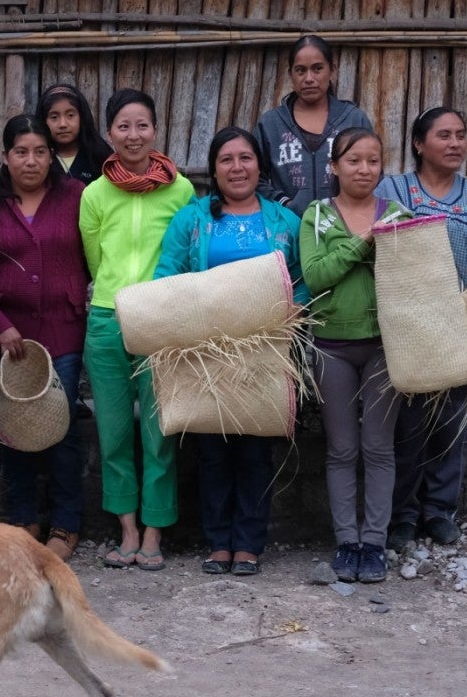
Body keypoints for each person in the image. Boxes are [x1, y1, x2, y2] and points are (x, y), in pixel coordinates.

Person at [154, 127, 308, 576]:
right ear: (213, 169)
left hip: (265, 352)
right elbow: (169, 273)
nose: (237, 168)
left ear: (260, 166)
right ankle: (218, 542)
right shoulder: (193, 219)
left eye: (245, 158)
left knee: (255, 450)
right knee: (212, 447)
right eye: (226, 160)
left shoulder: (284, 222)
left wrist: (295, 306)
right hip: (208, 352)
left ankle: (250, 544)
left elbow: (304, 277)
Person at [375, 107, 467, 549]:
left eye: (461, 135)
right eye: (444, 135)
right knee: (408, 421)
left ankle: (439, 511)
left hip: (458, 318)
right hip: (409, 319)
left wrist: (458, 234)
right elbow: (378, 238)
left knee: (454, 416)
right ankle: (402, 516)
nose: (455, 143)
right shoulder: (395, 188)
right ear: (419, 143)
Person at [79, 88, 194, 571]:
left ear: (155, 131)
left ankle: (154, 531)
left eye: (142, 125)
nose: (133, 135)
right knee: (112, 431)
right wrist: (114, 296)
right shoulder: (94, 194)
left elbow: (185, 255)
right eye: (123, 126)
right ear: (109, 134)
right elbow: (94, 259)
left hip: (159, 316)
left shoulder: (182, 191)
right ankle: (126, 528)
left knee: (157, 430)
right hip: (107, 317)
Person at [0, 115, 89, 560]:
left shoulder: (76, 197)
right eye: (21, 152)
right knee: (13, 429)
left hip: (63, 330)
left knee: (63, 427)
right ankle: (21, 520)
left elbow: (96, 255)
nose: (32, 160)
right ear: (5, 156)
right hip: (10, 339)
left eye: (40, 151)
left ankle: (65, 524)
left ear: (51, 155)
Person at [300, 128, 410, 584]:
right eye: (353, 161)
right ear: (334, 167)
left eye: (372, 161)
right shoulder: (317, 216)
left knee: (379, 448)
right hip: (331, 346)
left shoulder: (399, 214)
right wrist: (364, 243)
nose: (364, 169)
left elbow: (410, 274)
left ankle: (375, 544)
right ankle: (347, 542)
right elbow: (316, 274)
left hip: (386, 344)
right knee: (343, 448)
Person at [255, 35, 374, 212]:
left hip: (344, 227)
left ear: (332, 70)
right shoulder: (271, 124)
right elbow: (255, 177)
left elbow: (373, 170)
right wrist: (284, 203)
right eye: (301, 70)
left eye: (317, 69)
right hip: (289, 227)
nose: (309, 78)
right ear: (291, 74)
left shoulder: (354, 119)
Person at [36, 83, 113, 186]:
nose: (63, 124)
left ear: (82, 117)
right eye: (54, 117)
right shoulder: (36, 159)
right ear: (43, 121)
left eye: (70, 115)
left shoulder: (101, 157)